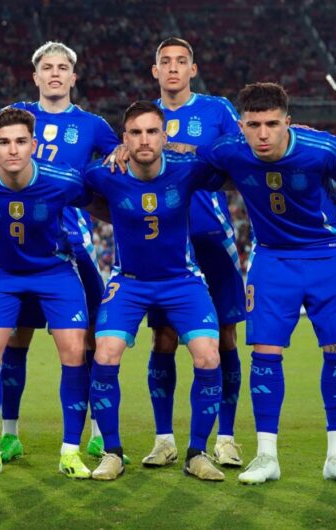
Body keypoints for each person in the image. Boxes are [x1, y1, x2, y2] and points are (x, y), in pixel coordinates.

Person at [196, 82, 336, 485]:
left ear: (288, 121)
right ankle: (266, 456)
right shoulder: (228, 149)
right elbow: (182, 158)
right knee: (265, 352)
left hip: (328, 254)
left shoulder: (322, 148)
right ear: (241, 126)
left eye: (272, 124)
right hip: (272, 257)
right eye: (254, 125)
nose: (263, 134)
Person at [0, 107, 101, 479]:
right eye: (4, 142)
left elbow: (101, 201)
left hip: (55, 270)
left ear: (33, 145)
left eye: (21, 141)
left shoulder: (63, 179)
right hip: (2, 273)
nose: (13, 149)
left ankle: (71, 452)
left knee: (74, 351)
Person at [86, 101, 226, 482]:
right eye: (136, 133)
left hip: (182, 280)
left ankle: (197, 453)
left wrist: (188, 147)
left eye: (152, 132)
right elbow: (76, 189)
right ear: (124, 139)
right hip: (129, 281)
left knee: (208, 356)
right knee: (105, 352)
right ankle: (112, 452)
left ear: (164, 136)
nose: (144, 140)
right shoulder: (105, 173)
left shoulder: (187, 167)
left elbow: (229, 162)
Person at [0, 41, 119, 462]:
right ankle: (9, 434)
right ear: (35, 76)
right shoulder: (14, 117)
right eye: (47, 67)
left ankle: (98, 432)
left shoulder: (93, 126)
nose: (54, 74)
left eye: (62, 67)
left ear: (73, 77)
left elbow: (119, 160)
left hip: (73, 246)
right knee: (15, 338)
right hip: (18, 247)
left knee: (88, 341)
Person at [142, 37, 246, 468]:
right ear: (155, 71)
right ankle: (164, 439)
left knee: (224, 336)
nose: (173, 68)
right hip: (165, 244)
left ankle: (226, 437)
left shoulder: (217, 110)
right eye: (165, 61)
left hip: (211, 236)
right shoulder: (144, 118)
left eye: (181, 61)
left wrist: (195, 152)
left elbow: (243, 158)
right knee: (163, 338)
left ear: (193, 69)